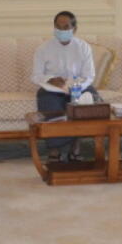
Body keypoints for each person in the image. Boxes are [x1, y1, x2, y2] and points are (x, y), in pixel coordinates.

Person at [32, 10, 98, 161]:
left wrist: (77, 88)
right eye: (58, 27)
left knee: (92, 101)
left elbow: (89, 76)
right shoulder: (43, 48)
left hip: (78, 86)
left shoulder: (83, 47)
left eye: (66, 27)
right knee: (48, 101)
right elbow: (35, 76)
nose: (62, 31)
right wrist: (50, 79)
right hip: (52, 89)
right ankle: (54, 150)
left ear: (74, 29)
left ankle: (76, 146)